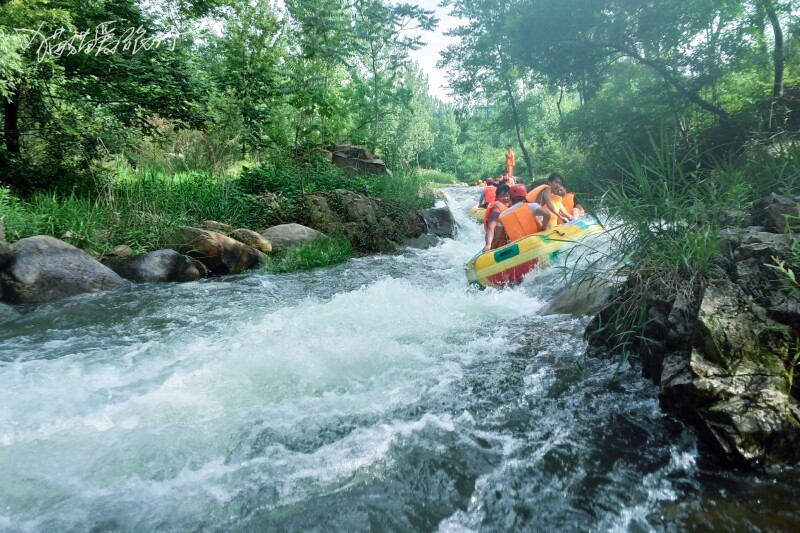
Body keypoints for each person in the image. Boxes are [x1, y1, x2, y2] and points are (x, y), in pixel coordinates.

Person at [483, 182, 512, 251]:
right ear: (497, 197)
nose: (506, 198)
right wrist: (488, 245)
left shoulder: (511, 205)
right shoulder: (495, 209)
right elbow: (490, 228)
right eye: (502, 196)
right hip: (497, 243)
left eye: (507, 195)